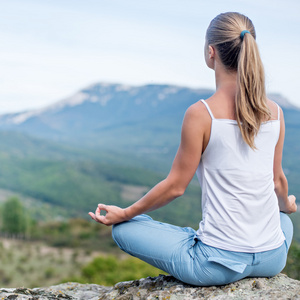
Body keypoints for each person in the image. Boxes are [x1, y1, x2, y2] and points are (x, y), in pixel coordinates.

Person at [89, 12, 297, 286]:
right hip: (272, 258)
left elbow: (176, 187)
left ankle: (201, 240)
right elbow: (277, 180)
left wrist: (126, 213)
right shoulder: (276, 112)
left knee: (124, 231)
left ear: (211, 52)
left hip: (215, 265)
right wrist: (287, 205)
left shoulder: (202, 113)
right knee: (285, 222)